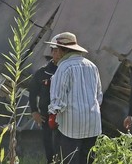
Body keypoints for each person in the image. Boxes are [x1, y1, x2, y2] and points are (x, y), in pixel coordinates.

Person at [47, 32, 103, 164]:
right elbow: (99, 96)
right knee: (88, 160)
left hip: (71, 126)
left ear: (62, 50)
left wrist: (53, 114)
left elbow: (58, 100)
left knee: (70, 159)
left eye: (57, 49)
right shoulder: (92, 66)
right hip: (93, 123)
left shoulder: (64, 67)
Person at [29, 44, 60, 163]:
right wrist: (34, 111)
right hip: (46, 116)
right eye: (55, 51)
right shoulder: (42, 72)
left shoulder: (68, 70)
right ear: (51, 52)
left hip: (64, 116)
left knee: (63, 146)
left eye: (60, 51)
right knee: (48, 145)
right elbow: (32, 93)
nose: (57, 54)